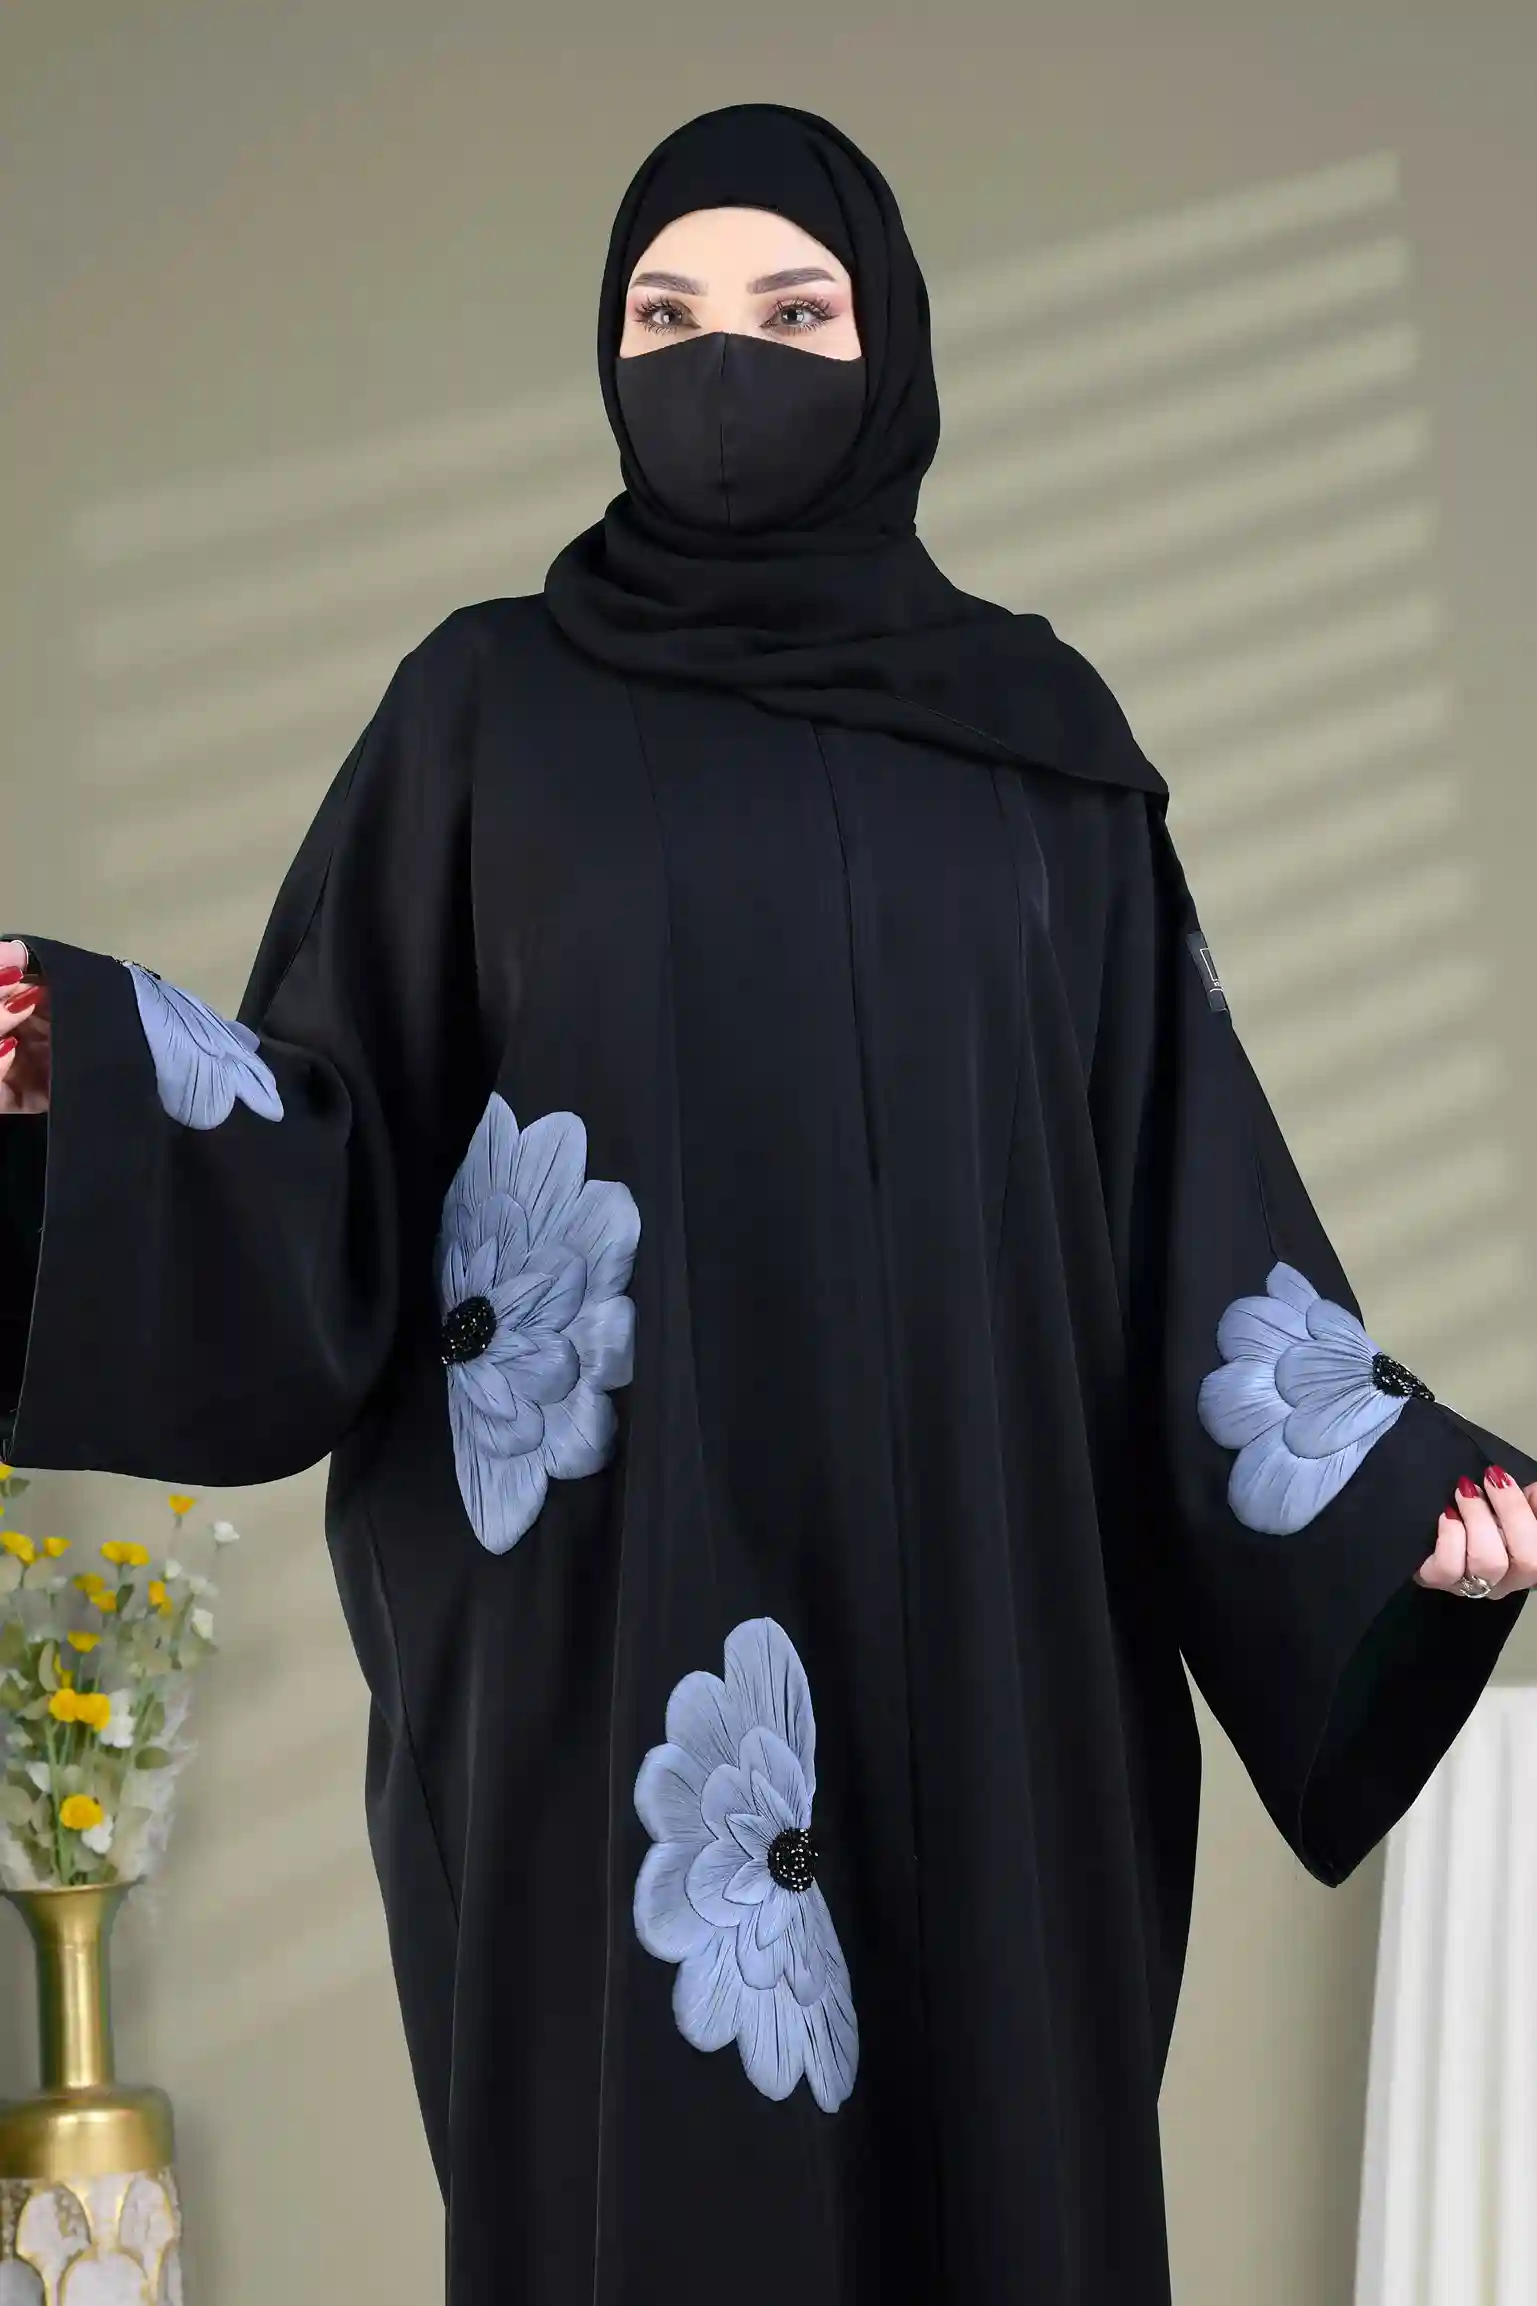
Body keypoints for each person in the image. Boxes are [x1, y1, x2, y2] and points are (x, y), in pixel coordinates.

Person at [1, 100, 1534, 2306]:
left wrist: (1387, 1493)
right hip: (624, 1654)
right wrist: (97, 1068)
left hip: (993, 1627)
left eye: (793, 313)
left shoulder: (1038, 745)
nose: (726, 368)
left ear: (889, 342)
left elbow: (1178, 1195)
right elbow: (334, 1153)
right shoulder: (482, 717)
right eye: (669, 316)